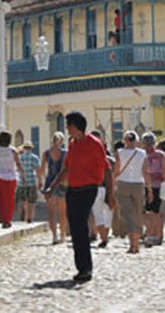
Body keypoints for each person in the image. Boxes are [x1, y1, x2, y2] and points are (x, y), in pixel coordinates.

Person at [45, 111, 115, 283]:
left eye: (68, 125)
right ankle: (81, 267)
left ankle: (86, 268)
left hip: (89, 189)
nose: (67, 128)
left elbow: (106, 169)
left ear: (75, 126)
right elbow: (67, 168)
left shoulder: (94, 144)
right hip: (73, 190)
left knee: (80, 225)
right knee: (75, 228)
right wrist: (52, 186)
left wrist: (110, 194)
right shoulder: (72, 143)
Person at [114, 130, 150, 254]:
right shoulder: (142, 153)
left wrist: (113, 185)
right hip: (138, 184)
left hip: (123, 183)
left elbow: (117, 169)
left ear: (125, 140)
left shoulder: (119, 152)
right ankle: (137, 243)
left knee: (127, 213)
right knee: (138, 213)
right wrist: (149, 189)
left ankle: (131, 244)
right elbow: (145, 172)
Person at [41, 132, 68, 244]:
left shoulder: (46, 153)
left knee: (51, 212)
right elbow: (65, 169)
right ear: (62, 141)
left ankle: (54, 236)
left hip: (49, 181)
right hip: (62, 182)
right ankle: (62, 234)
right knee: (62, 211)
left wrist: (43, 181)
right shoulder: (65, 153)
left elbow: (42, 169)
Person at [0, 131, 23, 229]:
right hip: (11, 176)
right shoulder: (13, 150)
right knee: (10, 199)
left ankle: (3, 219)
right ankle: (8, 219)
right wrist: (23, 174)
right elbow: (18, 163)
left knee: (2, 199)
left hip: (0, 176)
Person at [142, 132, 165, 246]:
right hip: (154, 185)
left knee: (152, 212)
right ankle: (155, 234)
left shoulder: (144, 154)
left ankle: (154, 234)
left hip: (152, 185)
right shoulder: (160, 154)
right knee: (153, 212)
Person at [91, 136, 115, 249]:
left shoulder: (92, 160)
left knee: (98, 215)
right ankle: (105, 236)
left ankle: (103, 238)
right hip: (109, 188)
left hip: (96, 188)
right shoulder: (111, 161)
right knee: (108, 214)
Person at [17, 141, 40, 223]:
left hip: (21, 182)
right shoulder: (34, 157)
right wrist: (40, 181)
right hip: (31, 181)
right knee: (31, 200)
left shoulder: (19, 157)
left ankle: (22, 216)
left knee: (21, 200)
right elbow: (38, 171)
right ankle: (29, 217)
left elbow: (17, 168)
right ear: (31, 148)